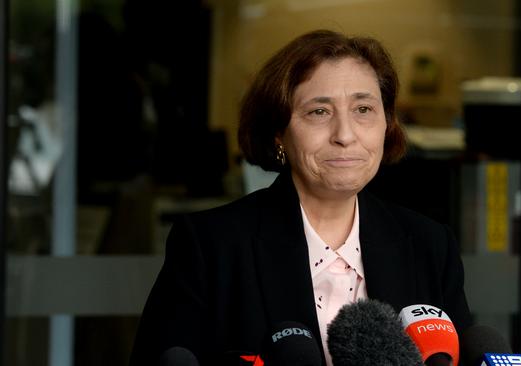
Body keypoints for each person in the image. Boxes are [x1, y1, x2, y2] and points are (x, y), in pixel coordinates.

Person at [129, 29, 471, 365]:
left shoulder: (428, 245)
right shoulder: (211, 245)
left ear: (387, 123)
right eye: (319, 112)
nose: (345, 135)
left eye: (363, 109)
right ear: (279, 133)